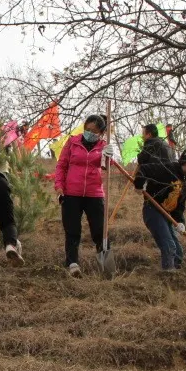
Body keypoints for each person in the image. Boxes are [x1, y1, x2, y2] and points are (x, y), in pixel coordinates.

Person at [54, 114, 118, 277]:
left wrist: (109, 156)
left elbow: (107, 166)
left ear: (101, 133)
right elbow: (61, 165)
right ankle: (72, 264)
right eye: (88, 129)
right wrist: (59, 186)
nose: (90, 133)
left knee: (100, 231)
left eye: (94, 131)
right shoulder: (72, 142)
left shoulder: (104, 146)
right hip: (71, 193)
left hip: (94, 194)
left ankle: (107, 269)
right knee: (72, 230)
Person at [134, 151, 186, 271]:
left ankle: (176, 274)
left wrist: (180, 221)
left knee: (178, 252)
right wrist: (139, 185)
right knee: (169, 245)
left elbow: (180, 205)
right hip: (153, 210)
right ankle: (168, 274)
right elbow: (144, 169)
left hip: (167, 214)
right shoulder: (168, 168)